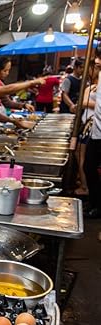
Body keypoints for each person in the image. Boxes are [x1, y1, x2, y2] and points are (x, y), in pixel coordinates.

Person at [76, 58, 101, 196]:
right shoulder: (91, 86)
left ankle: (87, 189)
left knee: (86, 161)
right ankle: (89, 190)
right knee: (85, 160)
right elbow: (83, 101)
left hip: (94, 128)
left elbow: (85, 102)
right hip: (89, 125)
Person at [85, 49, 101, 218]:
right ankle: (94, 202)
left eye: (98, 58)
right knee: (88, 167)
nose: (96, 61)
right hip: (96, 131)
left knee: (90, 167)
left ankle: (97, 206)